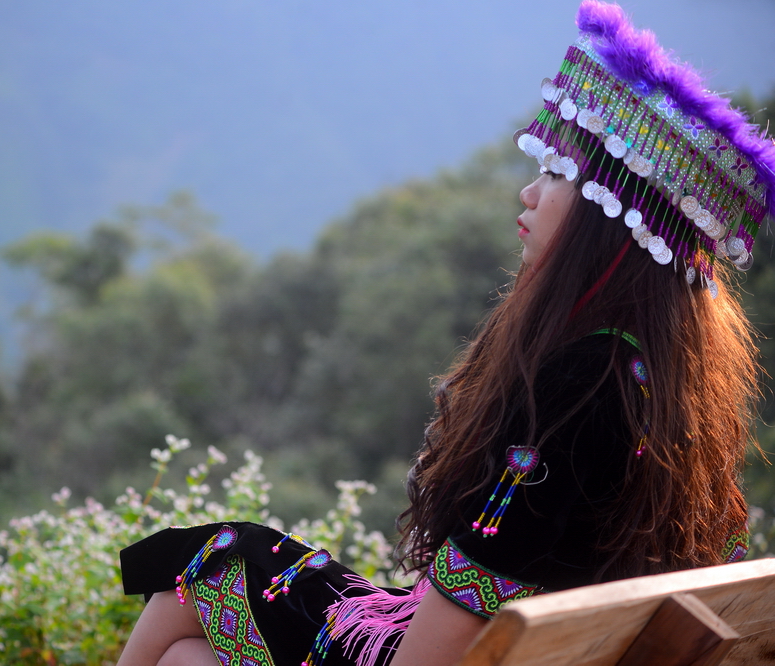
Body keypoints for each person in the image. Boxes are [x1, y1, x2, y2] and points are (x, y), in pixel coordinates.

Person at [117, 1, 774, 664]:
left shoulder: (578, 386)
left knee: (210, 569)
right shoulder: (662, 380)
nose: (527, 193)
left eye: (555, 173)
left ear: (612, 218)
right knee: (196, 627)